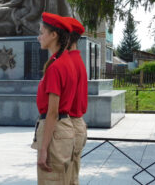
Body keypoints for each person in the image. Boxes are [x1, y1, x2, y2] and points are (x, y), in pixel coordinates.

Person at [31, 12, 76, 185]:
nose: (38, 37)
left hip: (55, 130)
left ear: (54, 35)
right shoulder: (65, 61)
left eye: (42, 32)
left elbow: (52, 112)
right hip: (62, 128)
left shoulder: (56, 67)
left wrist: (44, 150)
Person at [64, 17, 88, 185]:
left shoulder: (66, 63)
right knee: (72, 178)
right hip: (77, 124)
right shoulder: (77, 61)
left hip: (68, 125)